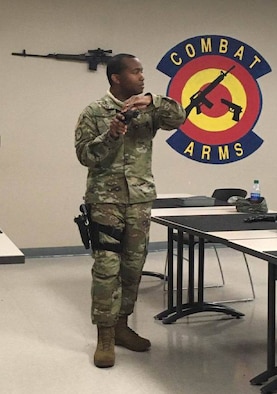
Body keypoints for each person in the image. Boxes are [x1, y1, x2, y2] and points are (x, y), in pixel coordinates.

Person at [74, 53, 186, 368]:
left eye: (142, 71)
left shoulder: (148, 109)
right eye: (135, 72)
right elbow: (85, 155)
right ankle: (105, 338)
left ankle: (123, 326)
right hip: (106, 202)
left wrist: (152, 100)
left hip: (138, 201)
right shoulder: (94, 112)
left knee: (133, 267)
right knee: (107, 268)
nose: (141, 76)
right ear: (116, 78)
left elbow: (179, 118)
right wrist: (109, 136)